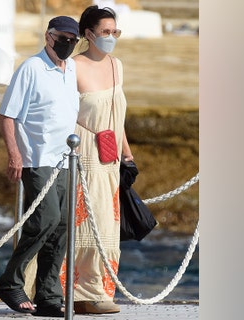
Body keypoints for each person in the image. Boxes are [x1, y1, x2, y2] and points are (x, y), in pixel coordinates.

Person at [0, 16, 80, 318]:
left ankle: (48, 295)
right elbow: (7, 116)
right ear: (49, 36)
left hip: (65, 162)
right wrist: (14, 155)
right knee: (46, 220)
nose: (68, 43)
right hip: (37, 159)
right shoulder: (31, 68)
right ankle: (9, 282)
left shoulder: (71, 70)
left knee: (63, 226)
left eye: (73, 39)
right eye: (63, 37)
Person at [61, 5, 133, 314]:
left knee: (108, 228)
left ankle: (100, 289)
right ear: (88, 34)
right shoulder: (71, 66)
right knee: (85, 227)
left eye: (115, 32)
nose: (111, 37)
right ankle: (77, 292)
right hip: (82, 155)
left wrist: (127, 153)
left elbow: (118, 115)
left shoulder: (117, 65)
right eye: (105, 32)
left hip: (110, 156)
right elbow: (62, 114)